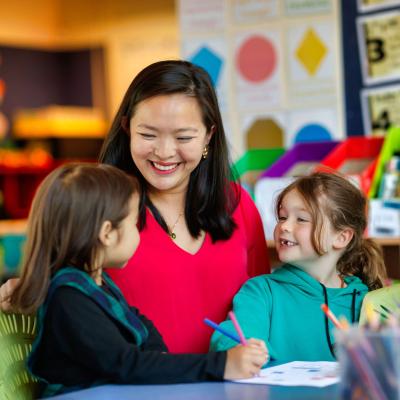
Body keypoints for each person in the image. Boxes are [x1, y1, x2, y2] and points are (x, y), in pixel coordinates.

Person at [0, 61, 270, 354]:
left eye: (183, 137)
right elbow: (63, 293)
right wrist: (28, 292)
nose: (165, 152)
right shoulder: (96, 208)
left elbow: (264, 305)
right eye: (148, 135)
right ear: (127, 127)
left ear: (208, 135)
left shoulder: (239, 203)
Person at [9, 163, 268, 398]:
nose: (139, 234)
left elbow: (143, 328)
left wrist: (161, 360)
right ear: (107, 234)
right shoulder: (69, 298)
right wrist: (222, 365)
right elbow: (127, 364)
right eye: (134, 224)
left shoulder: (97, 284)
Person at [210, 172, 387, 363]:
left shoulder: (366, 301)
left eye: (301, 219)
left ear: (341, 237)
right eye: (282, 217)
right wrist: (238, 350)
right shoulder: (261, 292)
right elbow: (230, 340)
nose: (284, 226)